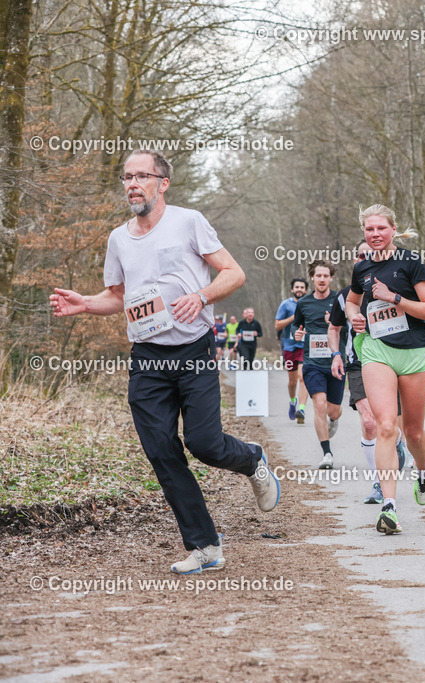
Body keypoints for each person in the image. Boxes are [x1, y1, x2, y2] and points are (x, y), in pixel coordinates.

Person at [49, 148, 280, 574]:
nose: (132, 184)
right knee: (161, 450)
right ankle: (205, 546)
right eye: (127, 177)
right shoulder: (119, 239)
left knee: (204, 444)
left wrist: (201, 295)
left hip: (194, 350)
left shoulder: (188, 222)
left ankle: (251, 459)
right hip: (148, 357)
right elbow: (117, 297)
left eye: (142, 176)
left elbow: (233, 273)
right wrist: (85, 304)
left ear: (163, 183)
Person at [343, 205, 425, 535]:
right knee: (385, 426)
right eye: (369, 230)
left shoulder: (412, 263)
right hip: (377, 350)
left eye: (381, 229)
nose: (374, 235)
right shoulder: (362, 267)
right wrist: (354, 315)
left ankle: (423, 471)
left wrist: (394, 297)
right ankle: (389, 506)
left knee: (412, 432)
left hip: (413, 353)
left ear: (393, 230)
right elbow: (353, 301)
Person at [329, 240, 412, 504]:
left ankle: (396, 445)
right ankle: (379, 482)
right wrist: (335, 355)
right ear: (355, 260)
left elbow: (419, 319)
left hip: (392, 360)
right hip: (358, 363)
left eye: (370, 253)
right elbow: (334, 328)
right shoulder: (344, 296)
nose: (366, 257)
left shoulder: (398, 286)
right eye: (361, 255)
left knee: (389, 424)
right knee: (368, 422)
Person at [293, 260, 344, 469]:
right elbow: (297, 324)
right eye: (318, 276)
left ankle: (333, 421)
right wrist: (296, 332)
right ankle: (327, 453)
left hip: (335, 361)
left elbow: (350, 327)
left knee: (334, 411)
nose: (322, 279)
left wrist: (335, 322)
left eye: (326, 276)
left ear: (330, 278)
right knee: (319, 405)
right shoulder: (303, 303)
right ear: (312, 278)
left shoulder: (340, 300)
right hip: (312, 362)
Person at [276, 278, 309, 423]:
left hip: (305, 346)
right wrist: (293, 318)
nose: (299, 289)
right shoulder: (286, 304)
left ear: (305, 290)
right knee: (292, 380)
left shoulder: (310, 304)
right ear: (292, 289)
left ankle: (301, 408)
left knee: (303, 377)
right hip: (289, 346)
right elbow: (277, 325)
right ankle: (292, 401)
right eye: (297, 287)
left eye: (302, 287)